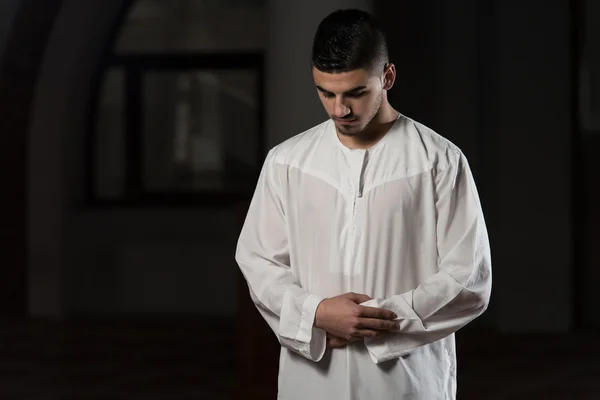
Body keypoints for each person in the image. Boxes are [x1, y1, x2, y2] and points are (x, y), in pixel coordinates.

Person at [235, 8, 492, 400]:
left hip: (407, 381)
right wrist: (318, 314)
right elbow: (258, 261)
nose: (340, 110)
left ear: (387, 77)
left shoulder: (438, 161)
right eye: (327, 93)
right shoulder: (286, 162)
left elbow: (468, 278)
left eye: (355, 93)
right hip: (312, 380)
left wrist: (376, 321)